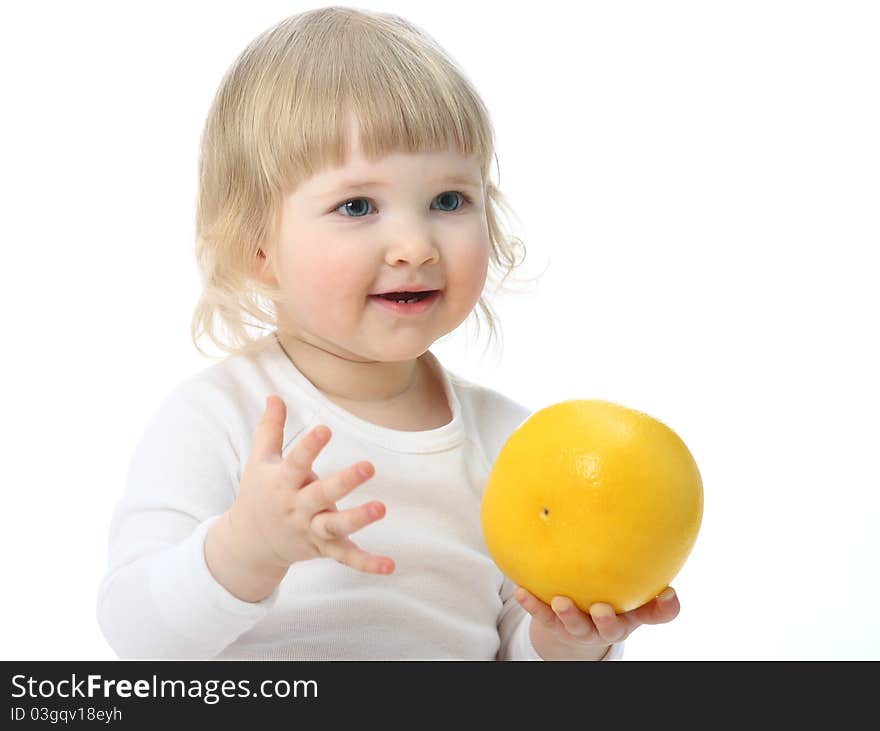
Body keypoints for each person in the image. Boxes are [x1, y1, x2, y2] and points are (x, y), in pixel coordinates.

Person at [96, 5, 680, 661]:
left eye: (449, 200)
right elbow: (134, 630)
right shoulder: (220, 417)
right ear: (258, 248)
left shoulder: (510, 443)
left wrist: (568, 636)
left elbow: (516, 652)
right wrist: (244, 547)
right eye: (357, 205)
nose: (414, 245)